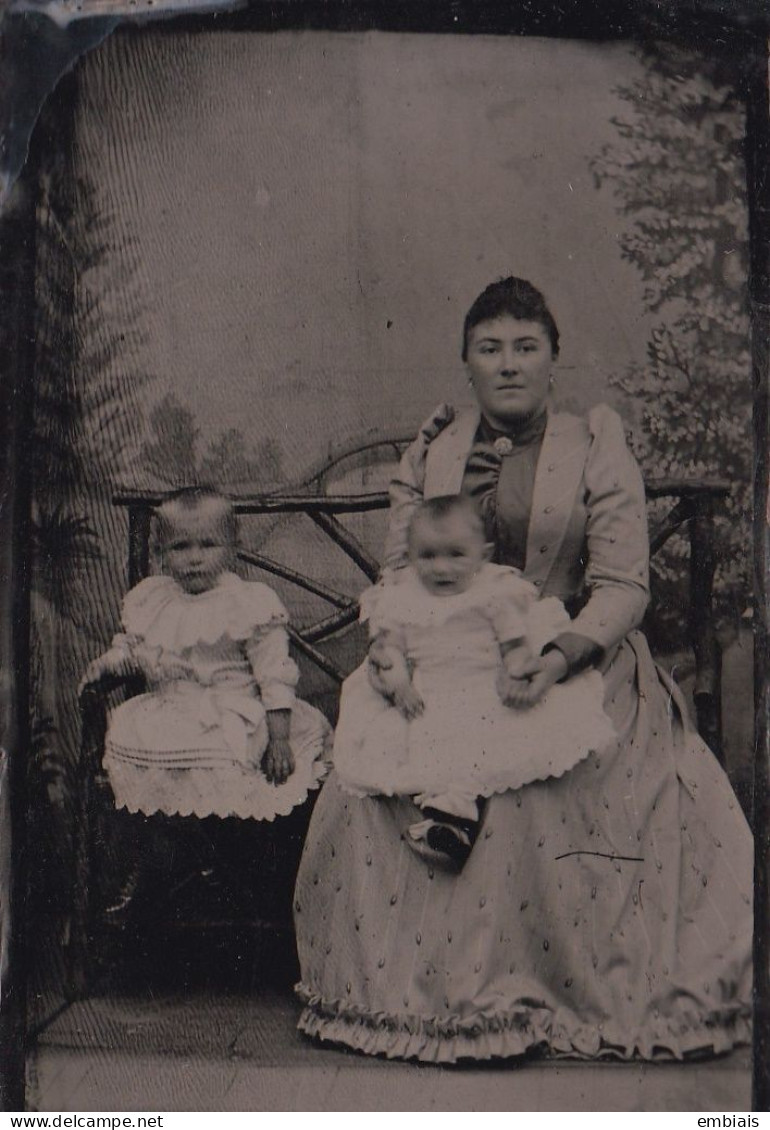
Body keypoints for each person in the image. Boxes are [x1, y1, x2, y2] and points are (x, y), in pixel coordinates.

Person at [293, 276, 752, 1063]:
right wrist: (396, 655)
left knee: (554, 773)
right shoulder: (435, 446)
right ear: (468, 361)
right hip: (443, 654)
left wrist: (560, 655)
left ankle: (531, 997)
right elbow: (400, 576)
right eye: (491, 348)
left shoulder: (594, 444)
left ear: (553, 360)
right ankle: (420, 1004)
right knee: (380, 764)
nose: (509, 365)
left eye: (526, 348)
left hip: (570, 650)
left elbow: (621, 585)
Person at [333, 494, 615, 866]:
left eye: (455, 555)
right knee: (426, 742)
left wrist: (515, 672)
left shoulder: (493, 594)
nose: (441, 568)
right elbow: (389, 653)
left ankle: (452, 822)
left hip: (484, 685)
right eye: (428, 556)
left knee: (484, 741)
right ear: (411, 556)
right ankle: (448, 822)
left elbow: (514, 644)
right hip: (433, 689)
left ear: (482, 555)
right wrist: (400, 686)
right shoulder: (402, 600)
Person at [80, 486, 331, 824]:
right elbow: (134, 648)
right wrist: (109, 662)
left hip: (235, 711)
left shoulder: (247, 603)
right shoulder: (153, 599)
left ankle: (220, 857)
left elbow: (274, 675)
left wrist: (280, 738)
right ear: (160, 554)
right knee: (141, 740)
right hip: (171, 712)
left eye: (208, 545)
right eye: (180, 546)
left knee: (224, 757)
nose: (194, 557)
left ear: (231, 550)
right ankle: (193, 854)